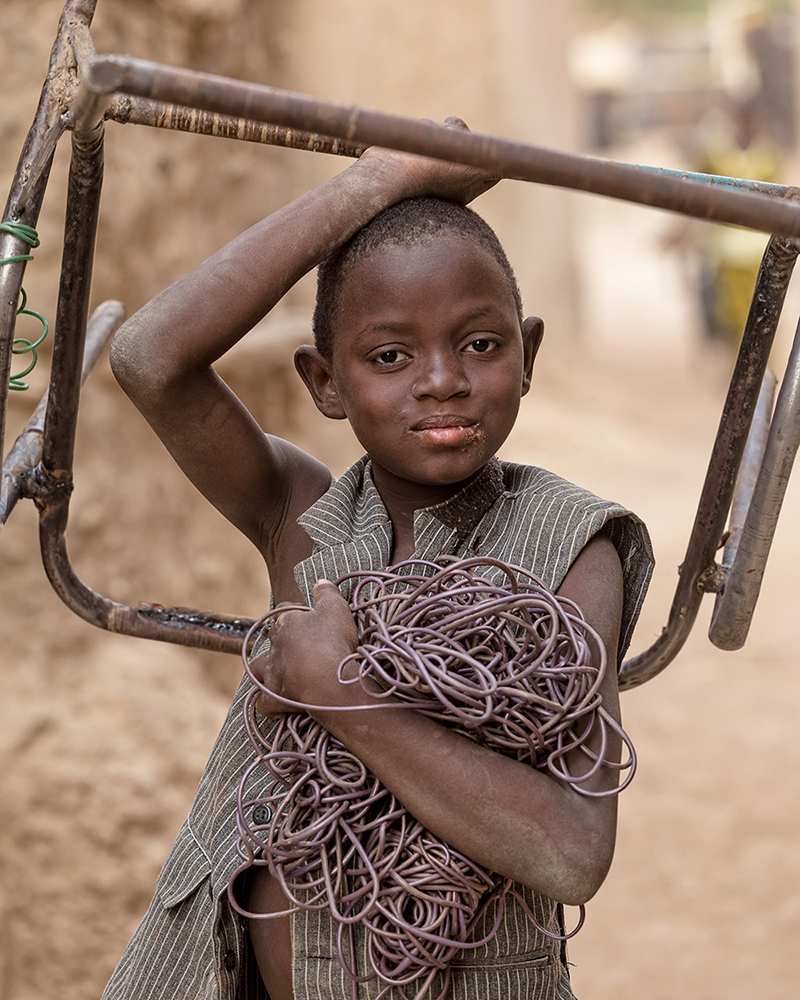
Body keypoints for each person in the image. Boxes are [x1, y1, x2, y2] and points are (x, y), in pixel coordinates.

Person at [102, 117, 653, 1000]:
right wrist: (375, 182)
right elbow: (150, 358)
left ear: (529, 351)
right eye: (390, 355)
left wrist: (345, 696)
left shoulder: (570, 545)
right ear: (324, 383)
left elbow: (574, 851)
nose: (442, 379)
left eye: (482, 344)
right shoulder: (303, 520)